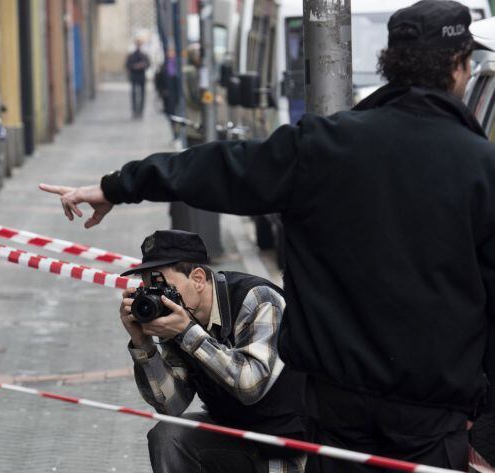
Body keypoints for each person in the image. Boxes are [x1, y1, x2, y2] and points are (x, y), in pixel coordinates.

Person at [40, 1, 495, 470]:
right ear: (461, 67)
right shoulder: (481, 168)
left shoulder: (323, 146)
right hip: (431, 424)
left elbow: (219, 167)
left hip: (337, 418)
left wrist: (117, 187)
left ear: (389, 62)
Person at [120, 230, 305, 473]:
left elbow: (250, 385)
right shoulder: (177, 318)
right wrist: (143, 343)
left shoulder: (258, 300)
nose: (159, 296)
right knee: (168, 436)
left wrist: (188, 332)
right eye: (149, 287)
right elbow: (171, 405)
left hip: (286, 445)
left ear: (197, 278)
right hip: (233, 435)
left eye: (162, 285)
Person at [125, 38, 150, 119]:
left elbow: (148, 64)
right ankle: (134, 110)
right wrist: (135, 66)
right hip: (134, 76)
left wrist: (143, 65)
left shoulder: (144, 55)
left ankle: (141, 111)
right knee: (134, 94)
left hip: (141, 76)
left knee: (142, 94)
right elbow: (128, 65)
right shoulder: (131, 55)